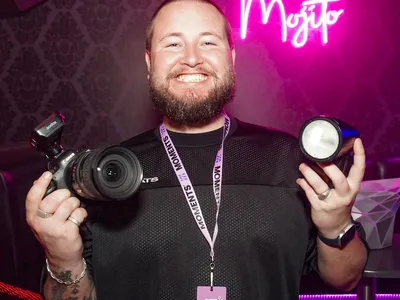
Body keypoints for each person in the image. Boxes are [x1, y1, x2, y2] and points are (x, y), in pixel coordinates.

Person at [25, 0, 369, 299]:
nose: (191, 58)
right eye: (173, 44)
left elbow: (344, 280)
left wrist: (335, 226)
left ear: (231, 58)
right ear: (149, 63)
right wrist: (61, 260)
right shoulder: (105, 174)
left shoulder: (290, 160)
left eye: (208, 42)